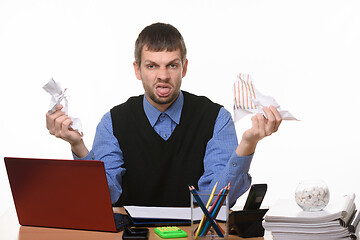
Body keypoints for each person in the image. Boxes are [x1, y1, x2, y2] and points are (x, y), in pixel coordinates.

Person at [46, 22, 282, 207]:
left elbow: (215, 202)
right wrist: (78, 146)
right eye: (151, 66)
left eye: (172, 65)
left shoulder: (215, 119)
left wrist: (248, 144)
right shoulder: (113, 122)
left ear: (184, 68)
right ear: (137, 70)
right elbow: (103, 197)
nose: (163, 75)